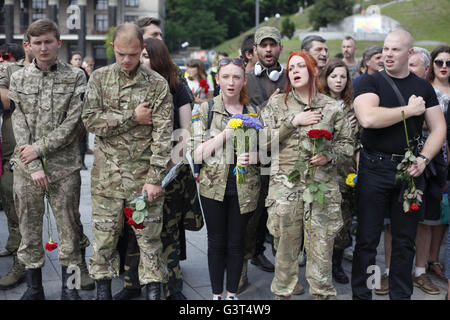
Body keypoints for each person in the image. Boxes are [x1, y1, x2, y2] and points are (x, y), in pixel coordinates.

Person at [351, 29, 446, 300]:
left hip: (409, 172)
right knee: (368, 241)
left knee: (405, 242)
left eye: (395, 49)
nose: (388, 54)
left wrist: (424, 159)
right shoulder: (368, 82)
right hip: (373, 168)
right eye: (386, 49)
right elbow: (368, 118)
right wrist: (410, 111)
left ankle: (401, 295)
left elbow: (439, 128)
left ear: (410, 53)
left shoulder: (422, 87)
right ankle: (363, 295)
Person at [82, 23, 173, 300]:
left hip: (143, 179)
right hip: (106, 180)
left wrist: (155, 178)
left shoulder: (157, 84)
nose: (126, 60)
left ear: (142, 49)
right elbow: (90, 121)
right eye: (121, 53)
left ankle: (153, 293)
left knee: (149, 242)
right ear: (113, 48)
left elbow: (163, 134)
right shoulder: (99, 79)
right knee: (104, 241)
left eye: (133, 54)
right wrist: (131, 118)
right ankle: (102, 293)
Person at [260, 51, 353, 300]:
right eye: (291, 68)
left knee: (322, 251)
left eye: (302, 66)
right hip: (285, 190)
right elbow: (262, 143)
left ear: (313, 70)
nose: (296, 71)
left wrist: (329, 156)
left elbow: (348, 146)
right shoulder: (277, 104)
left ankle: (321, 294)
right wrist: (293, 121)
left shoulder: (331, 107)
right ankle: (283, 294)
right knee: (285, 253)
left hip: (322, 188)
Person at [8, 19, 89, 300]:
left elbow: (73, 124)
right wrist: (32, 164)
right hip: (26, 171)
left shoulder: (77, 76)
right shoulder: (17, 79)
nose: (43, 48)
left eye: (48, 42)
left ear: (58, 42)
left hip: (64, 167)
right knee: (29, 230)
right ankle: (34, 288)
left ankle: (72, 289)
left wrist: (38, 148)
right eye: (37, 43)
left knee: (70, 229)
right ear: (28, 45)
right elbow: (18, 126)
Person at [113, 37, 194, 301]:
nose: (141, 61)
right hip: (133, 169)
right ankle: (132, 283)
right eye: (140, 56)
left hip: (168, 171)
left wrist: (165, 169)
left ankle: (173, 286)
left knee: (168, 230)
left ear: (158, 58)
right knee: (136, 227)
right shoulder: (131, 86)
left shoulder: (176, 87)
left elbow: (184, 134)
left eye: (147, 56)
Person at [192, 57, 260, 300]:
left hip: (244, 188)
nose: (231, 82)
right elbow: (197, 152)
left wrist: (255, 156)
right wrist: (225, 134)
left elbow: (266, 152)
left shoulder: (253, 112)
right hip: (213, 188)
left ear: (244, 80)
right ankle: (216, 294)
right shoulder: (206, 109)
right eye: (226, 77)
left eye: (237, 77)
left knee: (236, 243)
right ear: (218, 79)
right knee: (216, 242)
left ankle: (232, 294)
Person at [241, 27, 286, 292]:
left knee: (279, 217)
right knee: (250, 214)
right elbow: (239, 115)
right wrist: (268, 107)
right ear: (255, 49)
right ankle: (243, 267)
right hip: (254, 156)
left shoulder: (291, 78)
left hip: (283, 157)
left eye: (273, 45)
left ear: (280, 48)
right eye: (263, 45)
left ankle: (283, 271)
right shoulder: (244, 78)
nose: (268, 50)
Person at [318, 59, 360, 285]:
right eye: (334, 76)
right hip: (324, 172)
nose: (339, 81)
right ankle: (321, 264)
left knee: (343, 222)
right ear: (327, 78)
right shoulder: (320, 104)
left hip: (346, 173)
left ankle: (336, 263)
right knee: (323, 223)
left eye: (343, 77)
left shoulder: (353, 107)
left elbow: (359, 142)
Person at [422, 45, 450, 282]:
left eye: (448, 63)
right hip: (431, 155)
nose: (443, 67)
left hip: (447, 156)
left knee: (444, 212)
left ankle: (435, 259)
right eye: (439, 62)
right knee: (429, 211)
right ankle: (422, 263)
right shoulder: (426, 89)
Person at [70, 51, 89, 170]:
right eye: (75, 59)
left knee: (82, 138)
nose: (78, 61)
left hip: (82, 109)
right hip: (69, 110)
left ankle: (82, 161)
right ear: (71, 61)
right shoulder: (66, 72)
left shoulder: (84, 73)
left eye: (79, 59)